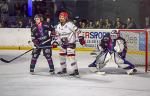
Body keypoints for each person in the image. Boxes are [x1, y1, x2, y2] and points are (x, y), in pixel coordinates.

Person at [54, 11, 85, 76]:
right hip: (63, 44)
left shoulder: (70, 24)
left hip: (70, 43)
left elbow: (78, 31)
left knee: (71, 57)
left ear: (66, 18)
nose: (61, 18)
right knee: (61, 56)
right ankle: (64, 69)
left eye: (62, 17)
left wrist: (81, 38)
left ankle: (75, 71)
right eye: (60, 17)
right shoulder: (58, 26)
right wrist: (56, 42)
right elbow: (57, 36)